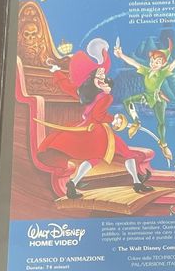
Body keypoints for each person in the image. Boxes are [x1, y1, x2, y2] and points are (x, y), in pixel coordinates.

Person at [37, 68, 153, 199]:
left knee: (95, 158)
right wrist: (113, 119)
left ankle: (73, 183)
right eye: (101, 79)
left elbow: (67, 87)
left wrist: (56, 72)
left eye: (105, 80)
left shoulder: (87, 93)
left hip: (88, 128)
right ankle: (137, 183)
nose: (105, 83)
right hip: (98, 132)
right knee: (126, 153)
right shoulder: (106, 97)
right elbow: (98, 116)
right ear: (93, 80)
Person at [114, 38, 175, 160]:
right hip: (147, 96)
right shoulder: (146, 71)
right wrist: (121, 55)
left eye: (158, 62)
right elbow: (133, 62)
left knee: (161, 123)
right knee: (127, 101)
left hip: (158, 100)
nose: (154, 63)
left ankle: (164, 144)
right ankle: (136, 122)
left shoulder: (162, 73)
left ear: (163, 64)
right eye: (152, 61)